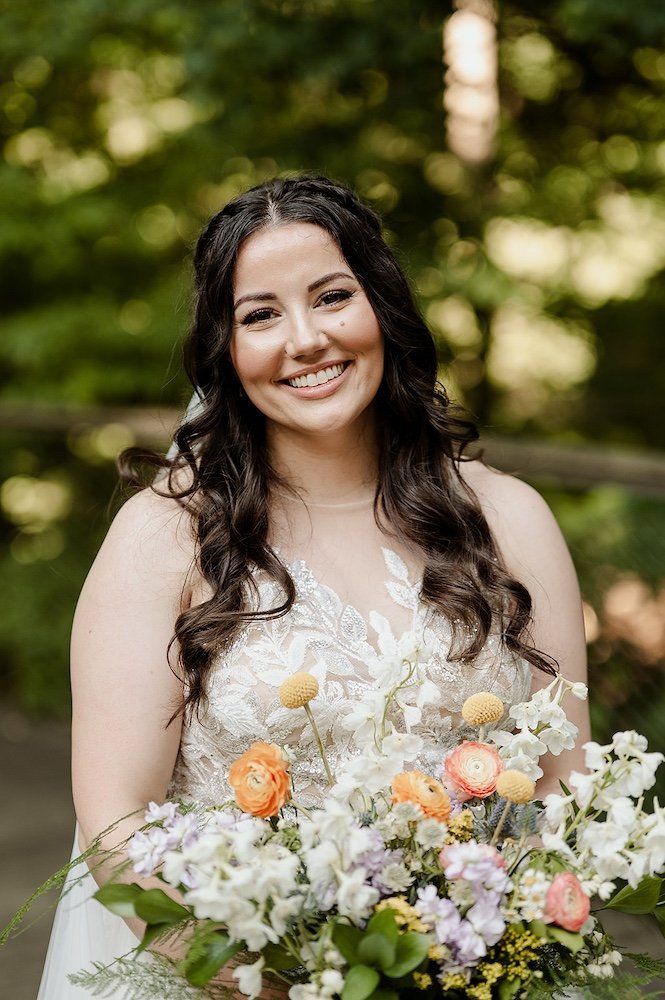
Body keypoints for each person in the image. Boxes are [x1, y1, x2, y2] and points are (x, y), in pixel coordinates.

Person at [37, 174, 590, 998]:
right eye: (260, 315)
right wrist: (268, 975)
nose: (305, 339)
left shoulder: (511, 517)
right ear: (224, 349)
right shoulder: (164, 537)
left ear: (384, 308)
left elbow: (563, 784)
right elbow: (116, 815)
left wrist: (464, 959)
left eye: (332, 297)